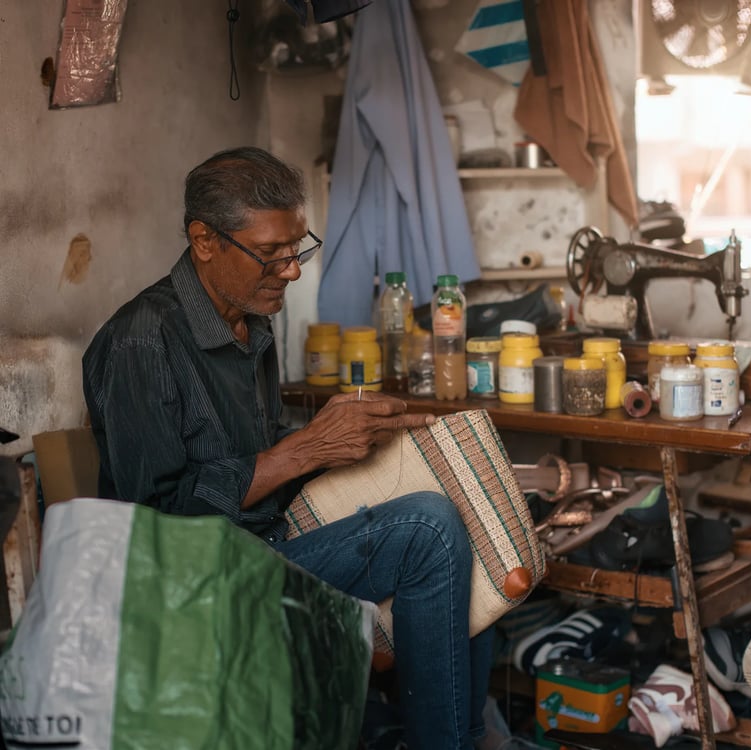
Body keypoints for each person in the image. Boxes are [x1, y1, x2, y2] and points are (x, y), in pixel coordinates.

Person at [82, 146, 497, 749]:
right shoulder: (140, 342)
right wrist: (305, 449)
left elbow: (262, 444)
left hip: (268, 545)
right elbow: (156, 524)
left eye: (298, 249)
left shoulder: (252, 318)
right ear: (204, 241)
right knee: (428, 531)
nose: (293, 271)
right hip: (189, 579)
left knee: (450, 502)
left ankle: (460, 737)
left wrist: (359, 442)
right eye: (272, 255)